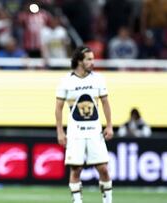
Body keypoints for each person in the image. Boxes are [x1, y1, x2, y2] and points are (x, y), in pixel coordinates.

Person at [55, 46, 113, 203]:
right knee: (76, 169)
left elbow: (105, 103)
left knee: (103, 169)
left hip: (95, 131)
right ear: (79, 61)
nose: (92, 62)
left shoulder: (98, 79)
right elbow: (58, 108)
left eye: (93, 59)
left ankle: (108, 201)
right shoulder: (66, 81)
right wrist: (60, 132)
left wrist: (109, 125)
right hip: (75, 132)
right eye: (89, 59)